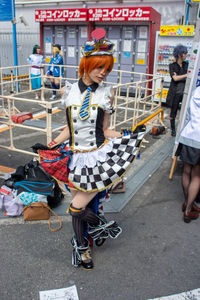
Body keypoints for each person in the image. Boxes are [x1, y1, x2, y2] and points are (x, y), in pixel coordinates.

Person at [40, 28, 146, 270]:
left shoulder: (108, 93)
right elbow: (68, 129)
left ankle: (97, 232)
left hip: (98, 157)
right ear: (86, 64)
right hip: (75, 157)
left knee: (77, 207)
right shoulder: (68, 91)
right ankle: (85, 245)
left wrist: (128, 135)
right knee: (80, 207)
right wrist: (51, 145)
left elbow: (106, 130)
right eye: (100, 67)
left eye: (107, 69)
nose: (104, 73)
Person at [178, 86, 200, 223]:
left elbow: (187, 115)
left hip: (188, 135)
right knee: (196, 175)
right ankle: (188, 210)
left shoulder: (197, 90)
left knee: (186, 171)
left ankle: (187, 202)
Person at [166, 44, 188, 136]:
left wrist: (179, 76)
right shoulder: (172, 66)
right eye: (185, 53)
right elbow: (175, 78)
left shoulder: (187, 64)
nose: (186, 54)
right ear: (179, 54)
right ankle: (173, 130)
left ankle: (183, 128)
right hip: (175, 92)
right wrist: (186, 75)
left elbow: (177, 77)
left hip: (185, 92)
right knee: (173, 112)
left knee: (186, 111)